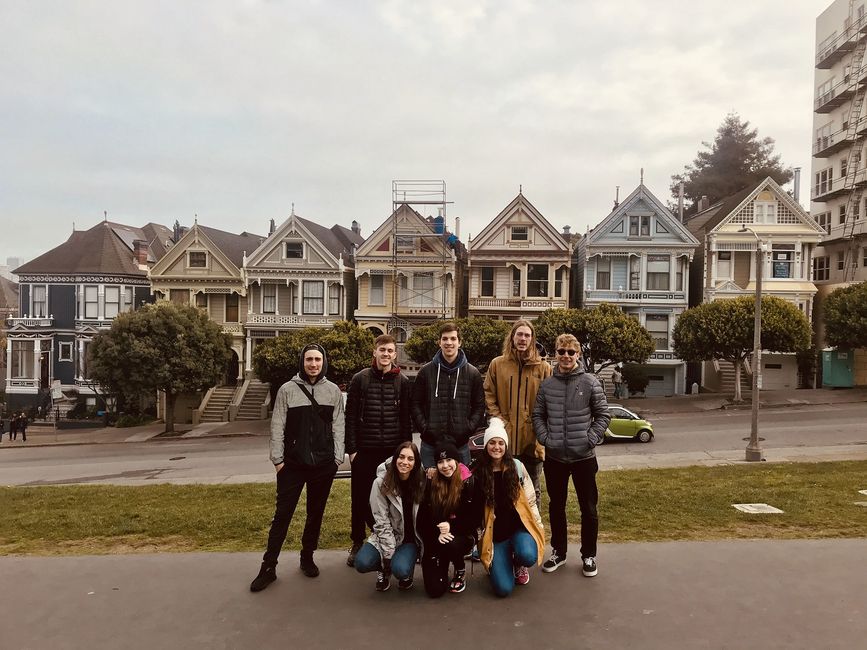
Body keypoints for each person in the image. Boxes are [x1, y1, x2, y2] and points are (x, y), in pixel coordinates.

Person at [249, 343, 345, 593]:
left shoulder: (333, 391)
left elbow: (338, 426)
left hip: (323, 465)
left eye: (317, 359)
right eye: (309, 359)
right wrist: (278, 461)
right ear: (302, 362)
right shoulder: (287, 390)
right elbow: (277, 426)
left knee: (315, 514)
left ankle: (307, 556)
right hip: (292, 464)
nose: (313, 364)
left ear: (324, 362)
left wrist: (336, 459)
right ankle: (268, 566)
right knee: (282, 516)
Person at [533, 334, 610, 578]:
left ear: (578, 355)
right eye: (561, 351)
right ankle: (559, 552)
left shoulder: (590, 382)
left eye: (570, 352)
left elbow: (603, 415)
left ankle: (589, 555)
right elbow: (537, 416)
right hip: (555, 458)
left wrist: (590, 439)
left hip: (584, 458)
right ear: (556, 354)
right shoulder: (547, 385)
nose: (566, 356)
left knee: (589, 508)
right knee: (557, 507)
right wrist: (546, 439)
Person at [344, 334, 412, 567]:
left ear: (395, 354)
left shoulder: (402, 382)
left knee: (392, 498)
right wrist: (352, 450)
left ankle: (392, 539)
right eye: (382, 350)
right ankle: (357, 542)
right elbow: (350, 417)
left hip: (391, 453)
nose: (386, 354)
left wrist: (404, 453)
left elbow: (406, 421)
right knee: (359, 499)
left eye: (390, 351)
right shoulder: (360, 379)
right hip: (364, 450)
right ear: (375, 352)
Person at [483, 319, 552, 506]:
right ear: (512, 337)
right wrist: (499, 420)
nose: (523, 339)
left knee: (532, 490)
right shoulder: (497, 364)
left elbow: (550, 401)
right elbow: (489, 393)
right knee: (504, 489)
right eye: (519, 334)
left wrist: (540, 429)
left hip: (532, 440)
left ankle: (533, 531)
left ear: (532, 339)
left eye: (527, 335)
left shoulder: (544, 368)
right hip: (505, 440)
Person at [475, 417, 545, 597]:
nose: (496, 447)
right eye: (492, 443)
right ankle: (499, 562)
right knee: (503, 589)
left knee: (528, 554)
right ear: (486, 446)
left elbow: (530, 500)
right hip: (496, 536)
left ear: (506, 446)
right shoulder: (479, 471)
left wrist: (538, 526)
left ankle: (518, 563)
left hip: (518, 529)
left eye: (500, 443)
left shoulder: (517, 467)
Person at [411, 321, 486, 468]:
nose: (449, 343)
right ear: (439, 342)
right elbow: (415, 404)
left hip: (461, 445)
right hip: (430, 444)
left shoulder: (472, 373)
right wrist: (426, 429)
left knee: (461, 488)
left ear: (460, 342)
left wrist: (467, 429)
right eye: (445, 339)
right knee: (430, 488)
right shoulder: (425, 372)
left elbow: (479, 406)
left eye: (453, 339)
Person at [354, 441, 425, 592]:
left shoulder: (421, 481)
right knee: (361, 563)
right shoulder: (380, 483)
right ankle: (383, 570)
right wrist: (387, 555)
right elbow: (380, 520)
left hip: (409, 539)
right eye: (401, 457)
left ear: (416, 462)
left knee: (401, 570)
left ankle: (405, 571)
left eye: (410, 459)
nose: (405, 462)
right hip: (385, 536)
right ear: (395, 458)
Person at [417, 441, 482, 597]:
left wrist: (450, 526)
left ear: (457, 461)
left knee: (450, 544)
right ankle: (442, 564)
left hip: (462, 535)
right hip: (437, 537)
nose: (445, 465)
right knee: (435, 591)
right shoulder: (430, 483)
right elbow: (423, 519)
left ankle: (459, 569)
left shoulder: (470, 483)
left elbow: (475, 518)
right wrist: (438, 530)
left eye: (449, 460)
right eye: (440, 462)